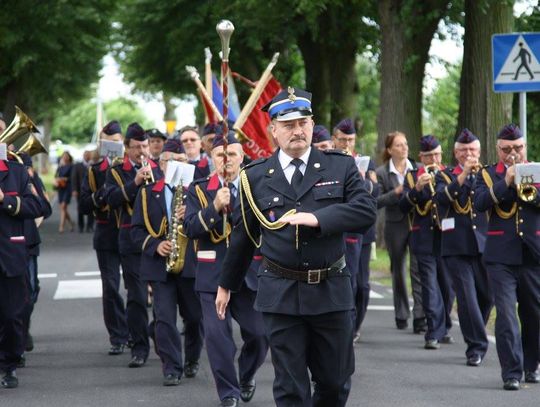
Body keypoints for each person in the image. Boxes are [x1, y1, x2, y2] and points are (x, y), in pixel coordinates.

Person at [215, 87, 377, 406]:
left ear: (311, 124)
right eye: (288, 124)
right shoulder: (255, 177)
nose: (297, 130)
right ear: (273, 129)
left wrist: (318, 219)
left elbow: (366, 210)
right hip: (281, 293)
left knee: (334, 382)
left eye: (303, 122)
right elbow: (244, 236)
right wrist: (226, 284)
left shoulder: (339, 166)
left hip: (331, 290)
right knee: (290, 387)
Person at [184, 132, 268, 407]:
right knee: (218, 339)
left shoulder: (255, 186)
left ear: (242, 158)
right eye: (221, 155)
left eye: (232, 154)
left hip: (248, 274)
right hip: (212, 275)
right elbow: (190, 228)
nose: (227, 160)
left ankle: (246, 375)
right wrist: (214, 207)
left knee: (259, 334)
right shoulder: (198, 189)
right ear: (212, 158)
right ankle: (228, 392)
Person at [131, 139, 204, 386]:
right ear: (161, 164)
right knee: (163, 317)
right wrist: (155, 245)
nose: (177, 165)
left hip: (191, 264)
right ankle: (171, 367)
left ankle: (192, 358)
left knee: (194, 317)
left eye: (182, 161)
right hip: (160, 265)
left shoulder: (198, 191)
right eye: (171, 161)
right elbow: (136, 231)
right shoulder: (146, 192)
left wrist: (193, 215)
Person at [474, 124, 540, 390]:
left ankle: (531, 365)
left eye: (518, 148)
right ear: (498, 149)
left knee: (534, 314)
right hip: (500, 256)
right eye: (507, 149)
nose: (513, 153)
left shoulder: (537, 171)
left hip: (533, 254)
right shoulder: (488, 174)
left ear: (525, 147)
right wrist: (507, 181)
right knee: (506, 315)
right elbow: (479, 203)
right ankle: (511, 372)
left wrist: (528, 181)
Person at [106, 122, 162, 368]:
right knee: (138, 297)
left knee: (163, 296)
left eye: (144, 145)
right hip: (131, 241)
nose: (142, 151)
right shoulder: (117, 172)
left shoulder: (159, 168)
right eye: (137, 147)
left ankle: (160, 336)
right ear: (126, 148)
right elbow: (112, 199)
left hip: (159, 240)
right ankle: (139, 348)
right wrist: (136, 182)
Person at [435, 129, 492, 366]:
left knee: (487, 297)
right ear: (456, 153)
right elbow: (440, 198)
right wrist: (463, 176)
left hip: (484, 243)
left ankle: (475, 329)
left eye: (473, 150)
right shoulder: (446, 175)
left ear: (479, 152)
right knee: (467, 298)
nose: (469, 154)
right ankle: (476, 347)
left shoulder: (487, 175)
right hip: (456, 244)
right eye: (464, 150)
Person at [399, 135, 454, 349]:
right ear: (421, 157)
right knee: (430, 286)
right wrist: (418, 189)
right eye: (428, 155)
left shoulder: (449, 175)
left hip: (447, 238)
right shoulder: (412, 177)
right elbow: (403, 206)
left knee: (447, 287)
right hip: (422, 238)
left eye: (437, 154)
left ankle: (445, 325)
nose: (433, 158)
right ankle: (433, 332)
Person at [79, 120, 129, 356]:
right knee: (111, 287)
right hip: (106, 233)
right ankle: (118, 335)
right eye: (110, 143)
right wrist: (102, 195)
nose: (114, 147)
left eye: (118, 143)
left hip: (129, 232)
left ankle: (136, 332)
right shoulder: (94, 171)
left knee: (136, 288)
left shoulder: (130, 168)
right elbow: (84, 205)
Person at [332, 118, 379, 342]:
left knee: (362, 284)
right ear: (335, 139)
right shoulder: (330, 161)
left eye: (350, 139)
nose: (346, 143)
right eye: (342, 139)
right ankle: (346, 327)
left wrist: (363, 183)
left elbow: (374, 189)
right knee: (347, 281)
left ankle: (356, 324)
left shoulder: (364, 162)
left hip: (362, 233)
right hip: (340, 230)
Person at [376, 132, 426, 332]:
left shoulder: (419, 169)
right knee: (398, 270)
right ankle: (401, 313)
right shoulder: (381, 172)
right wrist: (396, 192)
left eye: (405, 144)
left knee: (418, 269)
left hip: (417, 222)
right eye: (398, 145)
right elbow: (377, 201)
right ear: (390, 150)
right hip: (395, 224)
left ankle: (420, 317)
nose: (404, 148)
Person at [0, 151, 42, 388]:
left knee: (12, 316)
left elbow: (36, 205)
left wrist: (5, 198)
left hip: (10, 254)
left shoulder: (16, 172)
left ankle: (9, 365)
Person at [18, 152, 52, 363]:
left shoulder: (23, 167)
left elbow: (44, 208)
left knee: (31, 288)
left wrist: (30, 180)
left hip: (28, 240)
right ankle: (16, 338)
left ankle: (22, 327)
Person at [71, 149, 95, 233]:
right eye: (86, 155)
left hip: (91, 191)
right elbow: (74, 179)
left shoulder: (93, 165)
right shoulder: (78, 166)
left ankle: (90, 226)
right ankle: (81, 226)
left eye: (88, 155)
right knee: (80, 209)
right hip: (80, 191)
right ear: (83, 156)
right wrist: (74, 190)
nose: (87, 156)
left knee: (91, 209)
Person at [55, 151, 75, 233]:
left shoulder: (71, 166)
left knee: (63, 206)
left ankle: (61, 226)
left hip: (68, 187)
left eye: (66, 156)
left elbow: (73, 177)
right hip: (61, 188)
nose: (65, 157)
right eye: (64, 156)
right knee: (63, 208)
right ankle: (70, 223)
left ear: (69, 157)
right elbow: (56, 176)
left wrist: (65, 179)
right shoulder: (60, 166)